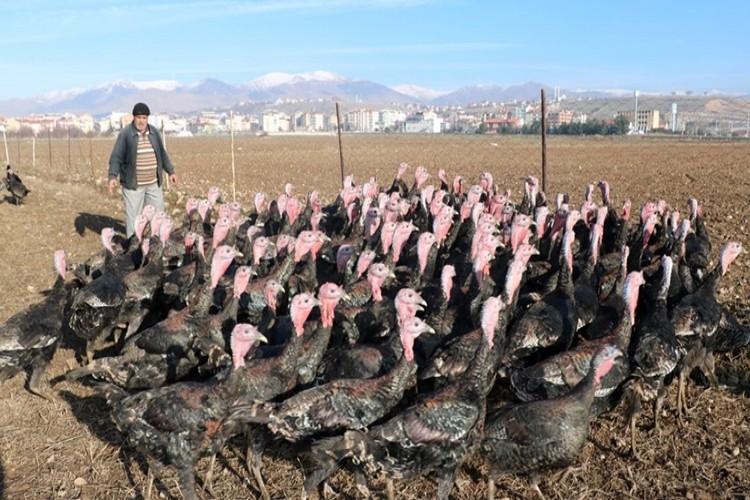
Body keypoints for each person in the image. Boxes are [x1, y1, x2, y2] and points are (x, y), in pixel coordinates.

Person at [108, 102, 177, 238]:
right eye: (138, 117)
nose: (141, 121)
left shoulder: (154, 133)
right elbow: (116, 156)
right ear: (134, 118)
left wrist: (171, 171)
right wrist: (112, 176)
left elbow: (162, 154)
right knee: (134, 218)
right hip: (133, 185)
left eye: (144, 118)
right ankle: (133, 250)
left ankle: (157, 246)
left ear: (147, 119)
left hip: (153, 183)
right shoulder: (126, 134)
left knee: (158, 216)